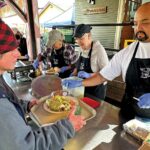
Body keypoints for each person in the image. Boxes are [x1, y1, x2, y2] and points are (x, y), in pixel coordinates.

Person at [0, 19, 86, 150]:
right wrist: (36, 60)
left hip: (66, 79)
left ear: (60, 41)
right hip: (53, 79)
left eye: (55, 44)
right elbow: (27, 145)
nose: (18, 54)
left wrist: (26, 105)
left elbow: (74, 66)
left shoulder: (68, 50)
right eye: (11, 50)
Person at [63, 2, 150, 120]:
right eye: (135, 24)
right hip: (129, 113)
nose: (138, 28)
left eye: (145, 22)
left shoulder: (98, 50)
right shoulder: (126, 53)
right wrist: (80, 83)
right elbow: (102, 75)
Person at [71, 24, 109, 99]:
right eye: (77, 39)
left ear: (89, 36)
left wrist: (89, 75)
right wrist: (73, 74)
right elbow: (79, 66)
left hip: (95, 91)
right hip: (82, 89)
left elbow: (107, 73)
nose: (78, 41)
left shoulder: (99, 50)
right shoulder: (81, 48)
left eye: (81, 38)